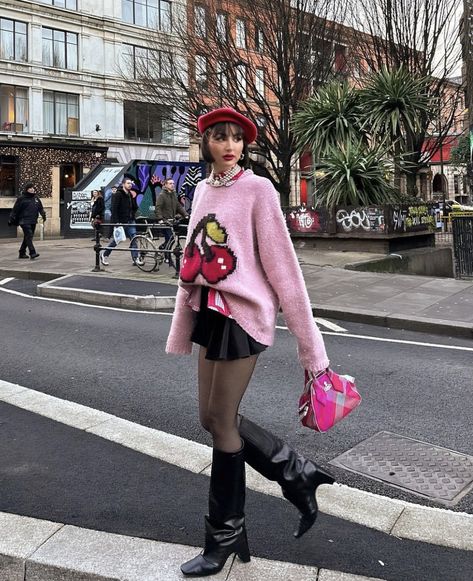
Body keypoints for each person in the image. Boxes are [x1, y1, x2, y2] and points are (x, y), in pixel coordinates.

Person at [165, 107, 334, 577]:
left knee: (221, 422)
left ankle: (222, 539)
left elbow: (285, 270)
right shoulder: (201, 189)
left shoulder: (258, 189)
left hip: (241, 318)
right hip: (210, 316)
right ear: (206, 144)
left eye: (236, 138)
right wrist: (184, 318)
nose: (230, 145)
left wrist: (311, 350)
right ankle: (295, 472)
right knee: (210, 417)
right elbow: (193, 258)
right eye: (220, 137)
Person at [100, 177, 140, 266]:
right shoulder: (118, 194)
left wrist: (133, 213)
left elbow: (134, 207)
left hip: (130, 221)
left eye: (130, 183)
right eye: (128, 183)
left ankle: (135, 258)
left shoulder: (130, 194)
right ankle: (104, 254)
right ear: (123, 184)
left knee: (134, 238)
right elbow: (114, 209)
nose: (130, 185)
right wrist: (117, 222)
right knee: (117, 240)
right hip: (122, 221)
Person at [8, 181, 46, 260]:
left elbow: (40, 208)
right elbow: (15, 209)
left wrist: (43, 215)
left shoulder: (36, 198)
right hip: (24, 220)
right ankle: (32, 252)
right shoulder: (21, 198)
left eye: (32, 188)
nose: (32, 189)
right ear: (26, 189)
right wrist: (11, 219)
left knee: (28, 237)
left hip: (33, 220)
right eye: (30, 188)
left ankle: (22, 252)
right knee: (29, 235)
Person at [154, 177, 188, 249]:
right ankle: (167, 257)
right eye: (170, 183)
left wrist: (185, 215)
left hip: (171, 220)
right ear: (165, 185)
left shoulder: (174, 195)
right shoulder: (162, 195)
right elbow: (158, 207)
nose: (172, 185)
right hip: (165, 221)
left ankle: (162, 249)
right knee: (170, 239)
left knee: (170, 239)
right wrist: (160, 219)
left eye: (173, 183)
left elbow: (178, 206)